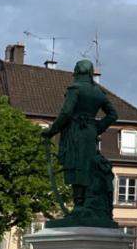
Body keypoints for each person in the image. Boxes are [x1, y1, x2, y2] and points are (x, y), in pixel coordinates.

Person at [43, 59, 118, 226]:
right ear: (91, 73)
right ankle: (83, 205)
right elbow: (113, 114)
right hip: (90, 133)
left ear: (77, 72)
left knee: (76, 164)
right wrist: (97, 127)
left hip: (75, 132)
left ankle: (78, 206)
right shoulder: (98, 93)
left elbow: (66, 112)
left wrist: (51, 131)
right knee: (86, 166)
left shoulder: (75, 89)